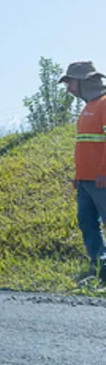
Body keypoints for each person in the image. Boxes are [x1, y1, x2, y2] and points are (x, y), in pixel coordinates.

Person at [60, 60, 106, 280]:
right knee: (87, 223)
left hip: (102, 180)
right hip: (86, 182)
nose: (68, 88)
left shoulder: (105, 104)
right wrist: (78, 177)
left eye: (70, 83)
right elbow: (85, 147)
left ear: (84, 82)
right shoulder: (88, 108)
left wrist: (103, 172)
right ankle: (100, 266)